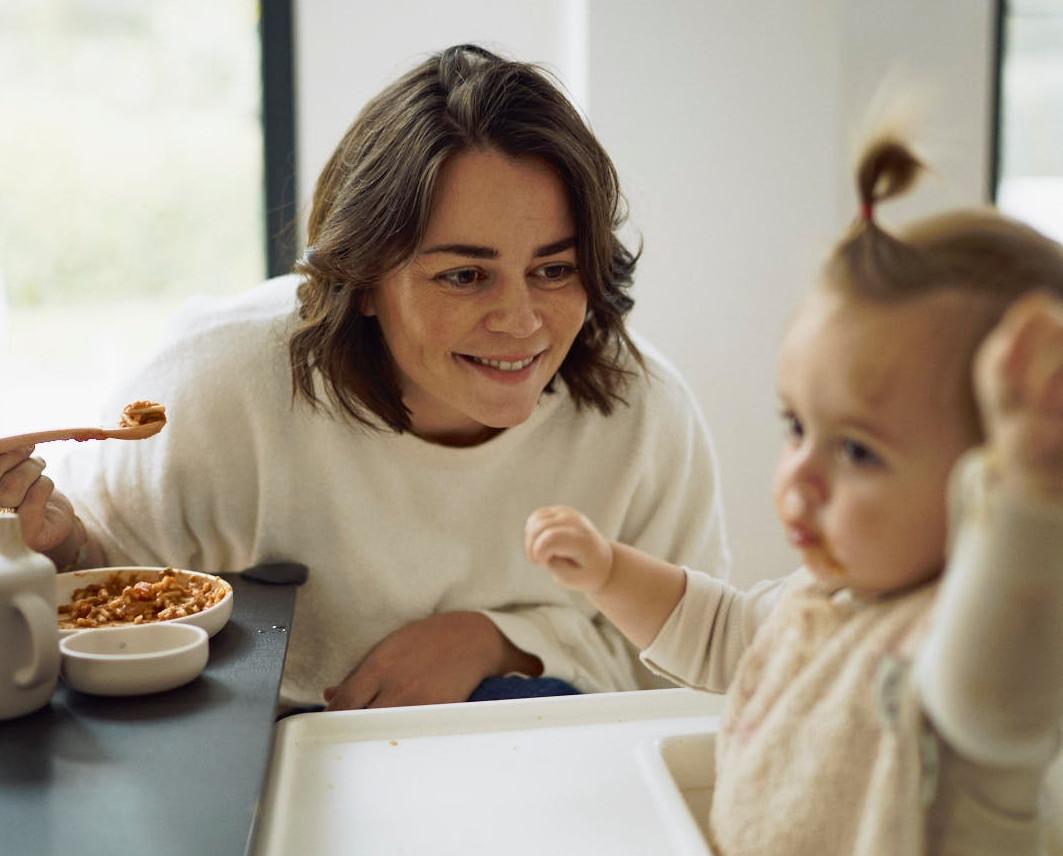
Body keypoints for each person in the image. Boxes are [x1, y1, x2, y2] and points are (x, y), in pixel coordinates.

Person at [0, 44, 728, 712]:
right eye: (465, 275)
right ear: (365, 279)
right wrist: (55, 546)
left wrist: (499, 641)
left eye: (553, 269)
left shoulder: (640, 415)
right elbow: (106, 583)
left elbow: (699, 666)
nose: (521, 321)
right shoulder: (224, 387)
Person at [525, 135, 1063, 854]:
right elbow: (723, 632)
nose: (799, 475)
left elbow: (988, 698)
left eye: (857, 451)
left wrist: (1031, 488)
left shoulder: (973, 651)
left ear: (984, 484)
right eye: (796, 426)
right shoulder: (824, 600)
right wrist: (609, 572)